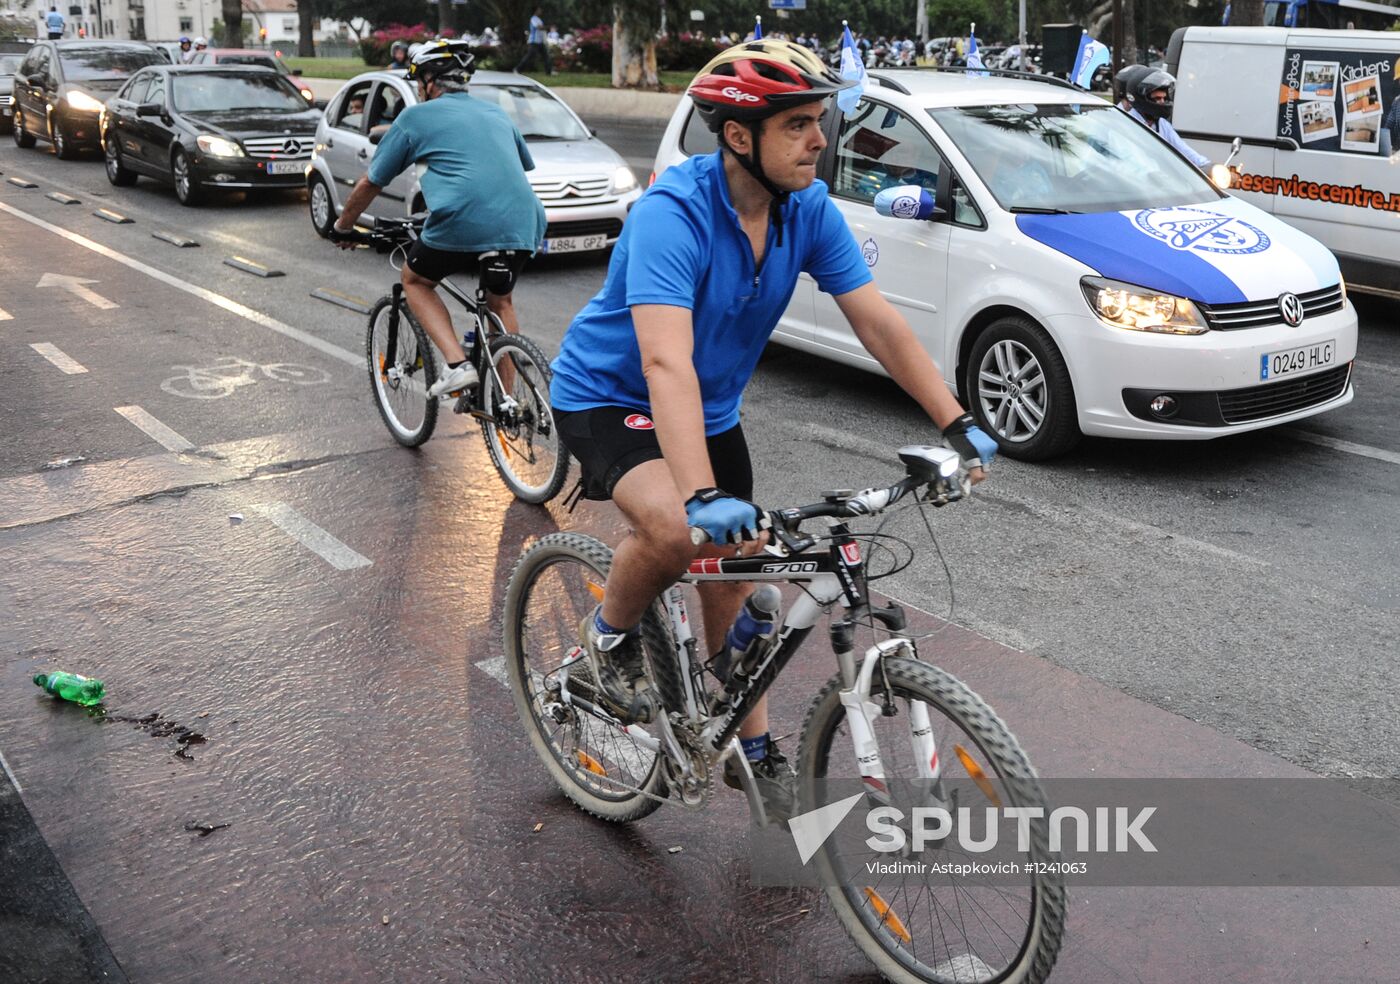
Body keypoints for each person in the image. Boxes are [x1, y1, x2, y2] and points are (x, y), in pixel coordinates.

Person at [548, 39, 997, 823]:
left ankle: (751, 753)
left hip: (709, 413)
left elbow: (879, 324)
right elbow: (664, 362)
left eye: (821, 121)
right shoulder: (672, 214)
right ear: (737, 135)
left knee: (735, 569)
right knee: (680, 532)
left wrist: (957, 422)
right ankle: (606, 641)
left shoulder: (807, 210)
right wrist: (698, 493)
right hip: (608, 396)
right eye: (798, 125)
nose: (821, 140)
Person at [331, 40, 546, 398]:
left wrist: (341, 226)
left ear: (430, 81)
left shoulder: (415, 117)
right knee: (501, 303)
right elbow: (516, 165)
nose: (418, 88)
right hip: (524, 220)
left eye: (418, 81)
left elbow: (372, 181)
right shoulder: (495, 114)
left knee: (415, 279)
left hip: (463, 219)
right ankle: (505, 404)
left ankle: (457, 366)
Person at [1116, 65, 1210, 169]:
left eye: (1164, 98)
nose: (1162, 102)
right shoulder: (1128, 123)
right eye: (1157, 98)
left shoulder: (1162, 124)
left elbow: (1182, 148)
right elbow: (1132, 159)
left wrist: (1206, 166)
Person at [514, 7, 551, 75]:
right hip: (534, 41)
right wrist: (547, 27)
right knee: (530, 56)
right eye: (539, 10)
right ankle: (518, 69)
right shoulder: (533, 19)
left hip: (540, 41)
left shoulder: (539, 19)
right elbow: (539, 27)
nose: (541, 11)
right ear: (535, 11)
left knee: (546, 56)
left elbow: (541, 27)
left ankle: (548, 72)